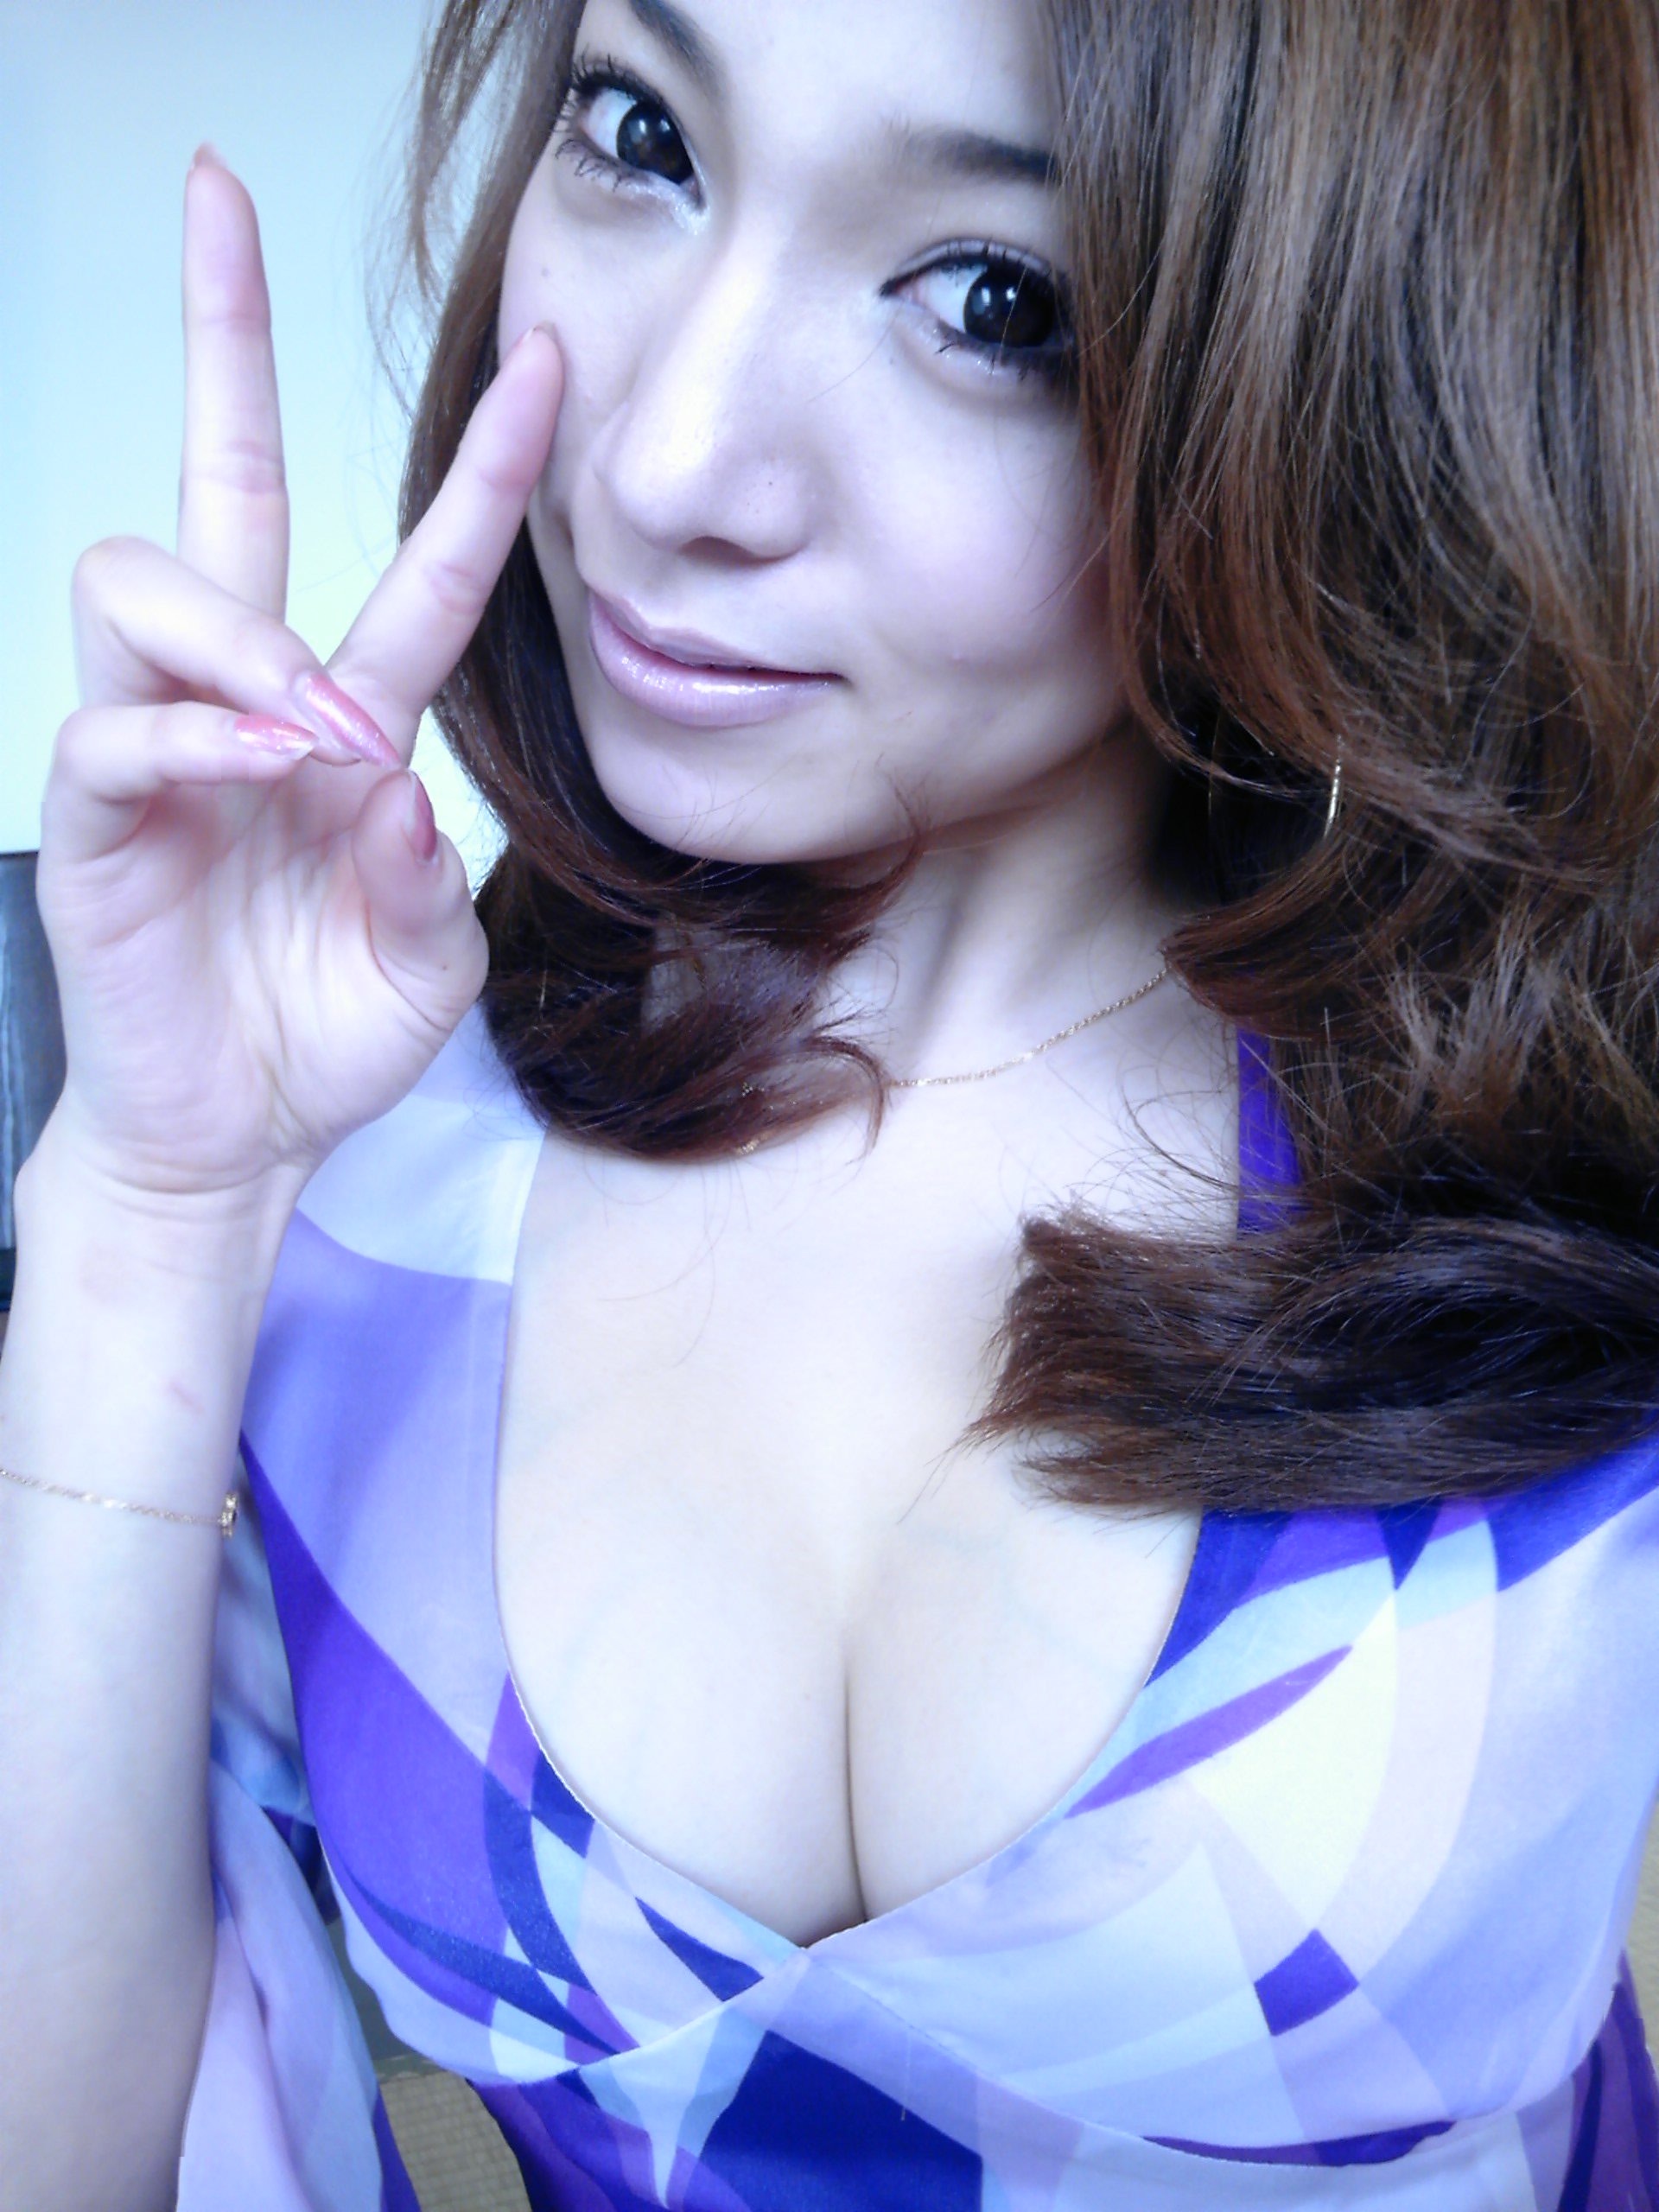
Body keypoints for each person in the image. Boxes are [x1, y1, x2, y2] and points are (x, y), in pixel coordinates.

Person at [4, 0, 1659, 2203]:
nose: (670, 468)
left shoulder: (1567, 1146)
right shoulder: (371, 1162)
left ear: (1351, 378)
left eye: (993, 302)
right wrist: (147, 1215)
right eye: (641, 135)